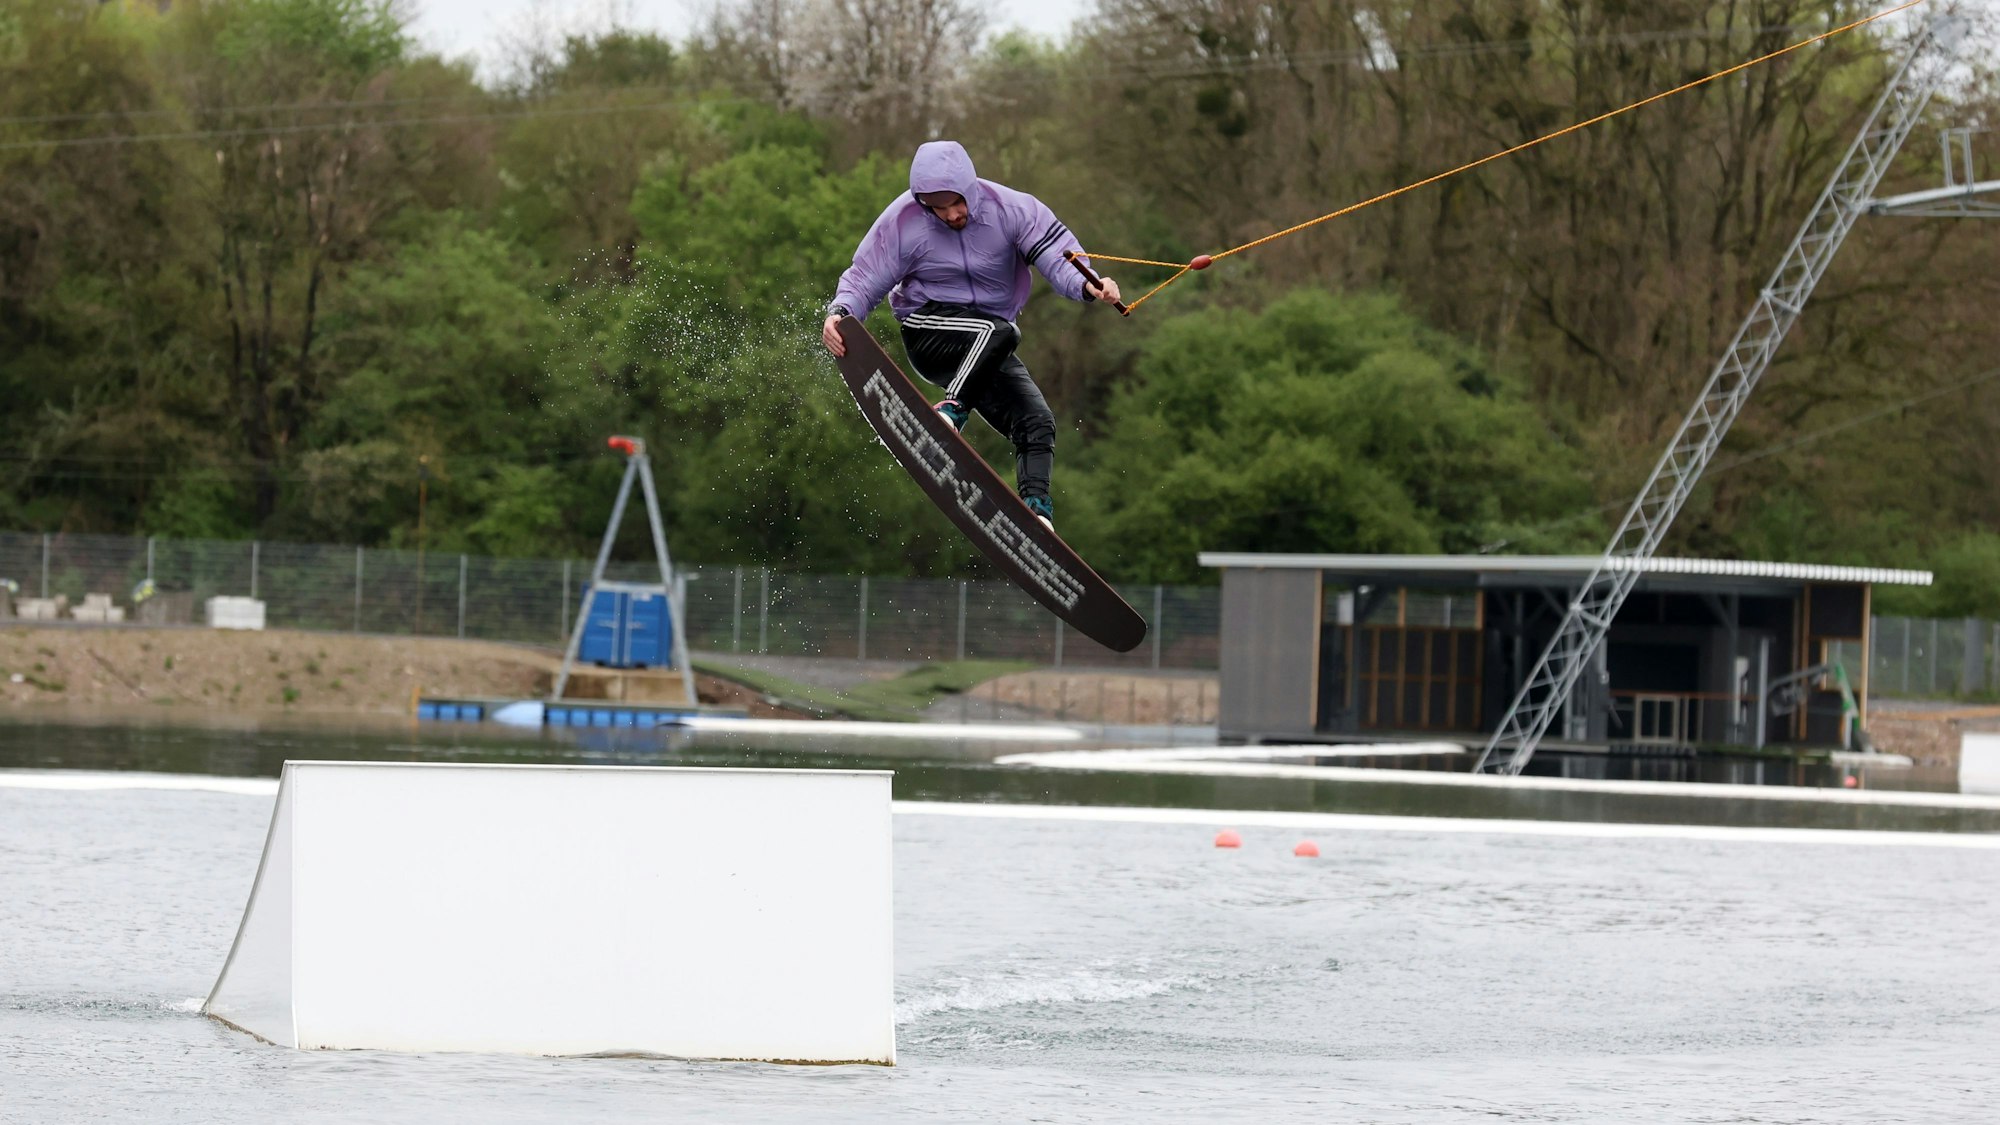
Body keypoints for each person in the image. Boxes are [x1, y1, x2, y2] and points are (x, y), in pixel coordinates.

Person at [823, 140, 1120, 531]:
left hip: (988, 347)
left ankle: (1037, 513)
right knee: (1000, 331)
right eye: (937, 207)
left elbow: (1057, 254)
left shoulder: (1012, 210)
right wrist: (839, 313)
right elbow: (864, 277)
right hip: (930, 332)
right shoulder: (903, 222)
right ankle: (950, 413)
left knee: (1037, 421)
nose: (949, 214)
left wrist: (1089, 285)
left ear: (970, 189)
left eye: (955, 203)